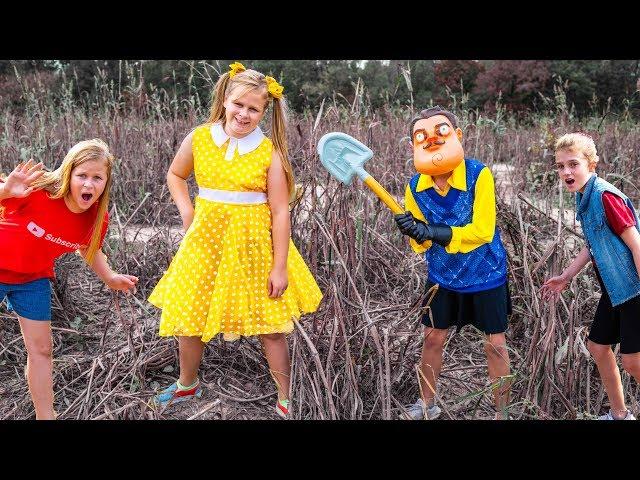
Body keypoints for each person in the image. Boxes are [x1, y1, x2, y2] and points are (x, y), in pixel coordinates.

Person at [148, 62, 322, 418]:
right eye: (238, 104)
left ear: (264, 112)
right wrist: (186, 211)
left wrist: (279, 266)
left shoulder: (267, 151)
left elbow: (279, 212)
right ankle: (187, 384)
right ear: (225, 99)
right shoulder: (199, 137)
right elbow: (176, 175)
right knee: (188, 315)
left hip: (253, 246)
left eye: (253, 108)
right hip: (204, 243)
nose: (244, 114)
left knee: (271, 325)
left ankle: (285, 396)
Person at [0, 140, 139, 420]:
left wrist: (110, 277)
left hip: (32, 279)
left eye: (97, 177)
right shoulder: (37, 190)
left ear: (106, 183)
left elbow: (89, 249)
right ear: (68, 174)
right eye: (82, 175)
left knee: (42, 350)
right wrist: (4, 192)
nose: (89, 183)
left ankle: (45, 416)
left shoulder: (96, 217)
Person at [394, 106, 512, 420]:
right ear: (413, 146)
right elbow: (420, 245)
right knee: (432, 338)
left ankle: (504, 413)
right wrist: (413, 232)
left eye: (441, 132)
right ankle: (427, 405)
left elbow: (483, 231)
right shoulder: (414, 188)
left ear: (458, 136)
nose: (431, 140)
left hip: (486, 274)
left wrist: (433, 230)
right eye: (422, 137)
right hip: (442, 276)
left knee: (495, 344)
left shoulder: (479, 174)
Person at [542, 132, 639, 420]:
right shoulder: (585, 196)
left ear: (591, 165)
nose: (566, 172)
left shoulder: (605, 195)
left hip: (633, 289)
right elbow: (594, 243)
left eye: (573, 164)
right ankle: (620, 415)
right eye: (560, 166)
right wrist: (567, 276)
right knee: (598, 346)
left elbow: (635, 242)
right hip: (615, 289)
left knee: (633, 362)